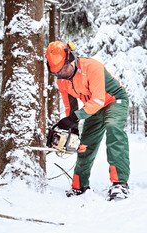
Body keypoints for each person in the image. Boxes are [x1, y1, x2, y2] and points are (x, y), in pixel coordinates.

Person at [46, 41, 130, 201]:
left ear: (70, 58)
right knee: (84, 143)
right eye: (57, 73)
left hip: (114, 100)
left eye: (63, 69)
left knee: (113, 129)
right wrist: (73, 128)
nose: (62, 74)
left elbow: (98, 99)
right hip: (94, 107)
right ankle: (79, 185)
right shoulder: (62, 81)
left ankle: (120, 184)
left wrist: (75, 117)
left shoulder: (91, 67)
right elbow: (70, 106)